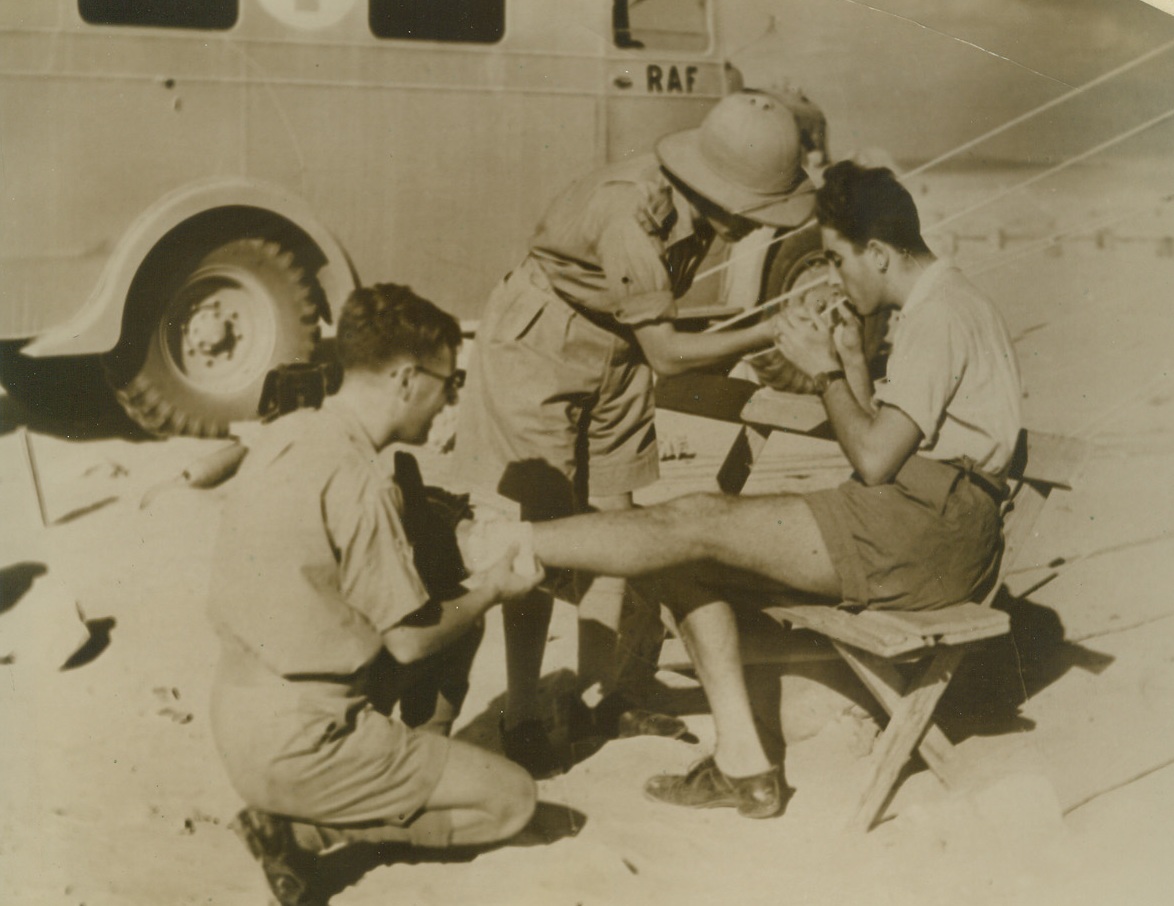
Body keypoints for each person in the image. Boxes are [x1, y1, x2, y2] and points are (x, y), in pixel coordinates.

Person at [486, 159, 1022, 817]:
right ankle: (746, 767)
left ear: (878, 253)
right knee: (682, 551)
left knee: (693, 521)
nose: (834, 276)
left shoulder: (940, 314)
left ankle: (497, 544)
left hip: (926, 529)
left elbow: (876, 459)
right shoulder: (942, 302)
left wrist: (825, 373)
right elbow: (885, 444)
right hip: (919, 521)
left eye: (838, 259)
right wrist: (852, 362)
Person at [453, 90, 817, 777]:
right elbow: (671, 356)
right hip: (541, 345)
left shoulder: (697, 205)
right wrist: (773, 329)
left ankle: (607, 694)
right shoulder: (630, 213)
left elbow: (651, 338)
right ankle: (525, 712)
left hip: (616, 349)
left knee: (616, 521)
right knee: (540, 527)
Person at [207, 284, 543, 906]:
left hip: (240, 714)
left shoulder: (290, 433)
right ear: (408, 379)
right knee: (512, 801)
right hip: (304, 743)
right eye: (450, 381)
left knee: (450, 614)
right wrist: (495, 586)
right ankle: (301, 834)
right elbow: (412, 640)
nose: (450, 399)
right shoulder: (359, 479)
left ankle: (405, 769)